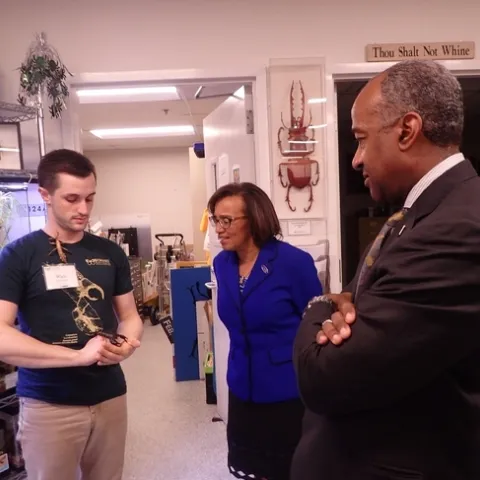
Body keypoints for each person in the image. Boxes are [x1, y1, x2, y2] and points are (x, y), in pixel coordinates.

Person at [292, 59, 480, 480]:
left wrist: (320, 304)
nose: (356, 159)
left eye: (360, 139)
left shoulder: (457, 230)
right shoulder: (417, 216)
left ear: (407, 130)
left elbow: (325, 376)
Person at [0, 149, 143, 480]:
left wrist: (126, 342)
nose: (83, 209)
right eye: (72, 198)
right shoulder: (18, 256)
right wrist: (77, 357)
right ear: (45, 196)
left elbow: (130, 316)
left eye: (90, 198)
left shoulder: (108, 253)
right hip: (50, 404)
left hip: (109, 398)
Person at [209, 182, 322, 480]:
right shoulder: (222, 263)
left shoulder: (293, 263)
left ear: (255, 220)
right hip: (242, 386)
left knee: (289, 469)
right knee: (253, 469)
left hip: (286, 391)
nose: (218, 228)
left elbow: (316, 326)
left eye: (227, 220)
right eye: (215, 219)